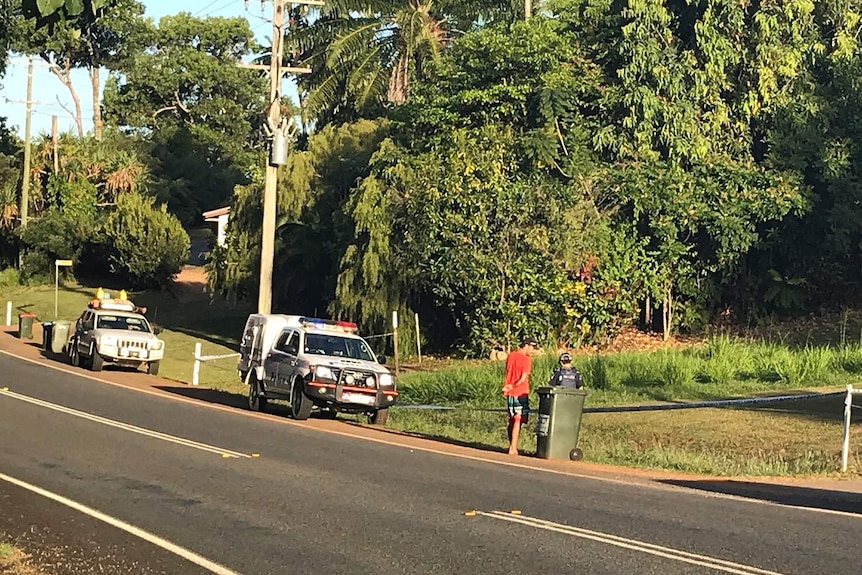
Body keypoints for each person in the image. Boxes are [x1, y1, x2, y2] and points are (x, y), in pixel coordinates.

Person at [502, 337, 537, 456]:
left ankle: (511, 444)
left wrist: (507, 387)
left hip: (510, 392)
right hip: (520, 392)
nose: (532, 350)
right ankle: (513, 447)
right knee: (518, 419)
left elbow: (507, 372)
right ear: (526, 345)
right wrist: (512, 386)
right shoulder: (526, 360)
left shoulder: (511, 355)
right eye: (532, 347)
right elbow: (523, 379)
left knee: (511, 419)